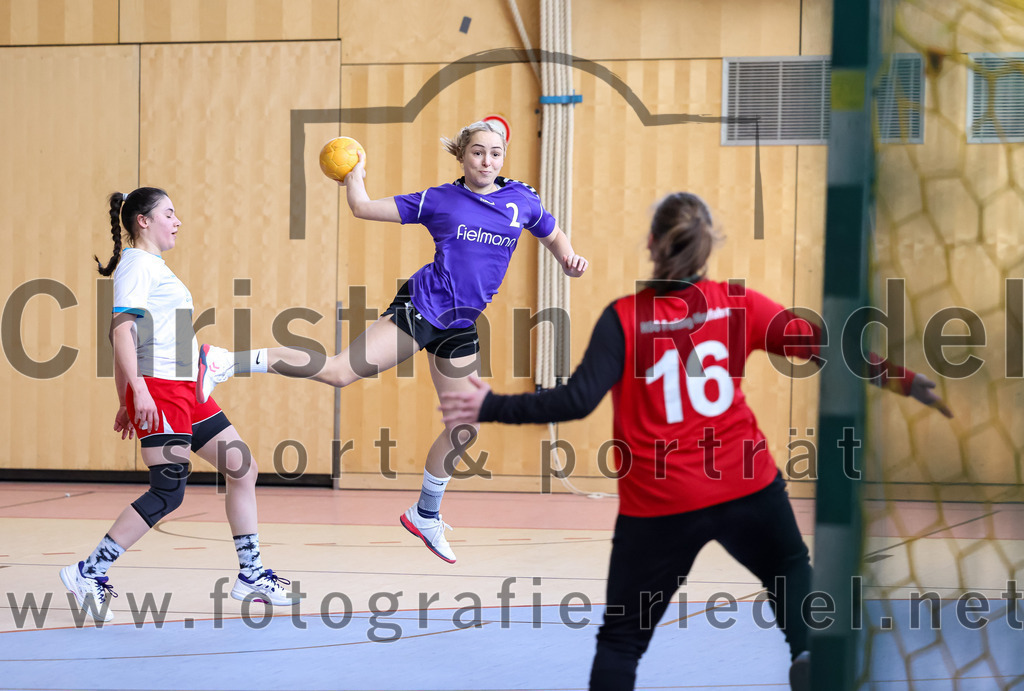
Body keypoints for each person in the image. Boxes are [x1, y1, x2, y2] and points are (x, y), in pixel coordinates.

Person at [437, 192, 953, 691]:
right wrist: (903, 379)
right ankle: (807, 653)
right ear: (707, 248)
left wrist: (490, 405)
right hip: (746, 482)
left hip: (661, 502)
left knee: (622, 642)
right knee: (790, 568)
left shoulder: (624, 317)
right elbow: (826, 346)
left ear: (651, 242)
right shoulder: (738, 304)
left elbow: (576, 400)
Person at [195, 121, 588, 564]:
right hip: (422, 306)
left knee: (465, 427)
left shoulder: (522, 199)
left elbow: (550, 232)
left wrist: (567, 258)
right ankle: (225, 361)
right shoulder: (439, 200)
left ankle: (425, 513)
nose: (487, 161)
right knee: (340, 371)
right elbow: (362, 207)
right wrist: (354, 174)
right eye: (478, 152)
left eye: (495, 153)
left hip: (460, 322)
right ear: (462, 155)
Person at [60, 187, 298, 623]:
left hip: (187, 389)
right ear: (143, 221)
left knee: (242, 468)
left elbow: (133, 337)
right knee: (168, 490)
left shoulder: (153, 267)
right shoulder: (137, 264)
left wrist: (125, 398)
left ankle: (250, 574)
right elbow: (120, 332)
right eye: (169, 213)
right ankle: (88, 572)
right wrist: (138, 392)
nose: (177, 221)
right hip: (162, 390)